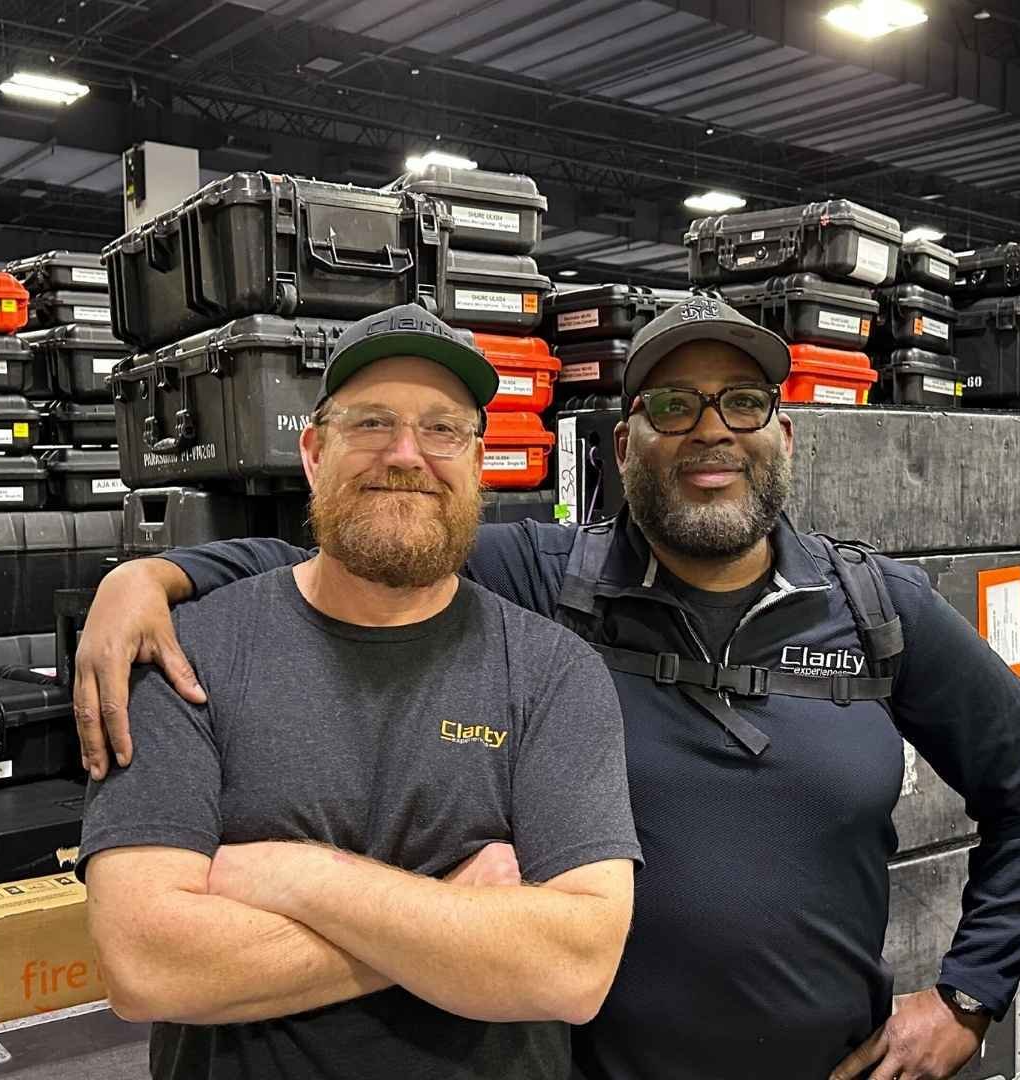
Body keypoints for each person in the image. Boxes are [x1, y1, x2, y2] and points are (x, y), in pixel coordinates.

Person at [78, 296, 1020, 1080]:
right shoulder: (552, 587)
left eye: (743, 404)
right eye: (671, 407)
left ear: (786, 438)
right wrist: (154, 577)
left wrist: (969, 995)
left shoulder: (879, 608)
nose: (710, 433)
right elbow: (380, 542)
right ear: (624, 444)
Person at [77, 304, 642, 1080]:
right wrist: (454, 913)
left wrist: (302, 878)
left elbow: (572, 971)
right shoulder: (184, 654)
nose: (407, 455)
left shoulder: (553, 671)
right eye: (371, 423)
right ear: (313, 453)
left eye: (443, 429)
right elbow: (147, 965)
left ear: (479, 462)